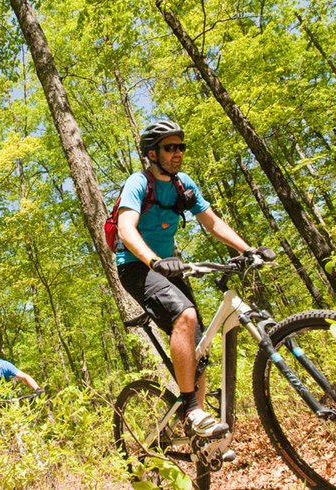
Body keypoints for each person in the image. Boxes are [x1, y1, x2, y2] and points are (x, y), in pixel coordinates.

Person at [116, 120, 255, 440]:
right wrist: (153, 260)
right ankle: (192, 410)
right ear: (152, 153)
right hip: (137, 266)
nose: (178, 152)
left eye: (181, 146)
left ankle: (200, 427)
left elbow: (211, 222)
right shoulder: (138, 182)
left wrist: (247, 249)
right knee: (186, 316)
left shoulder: (183, 184)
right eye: (170, 147)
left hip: (169, 267)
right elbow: (126, 228)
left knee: (199, 346)